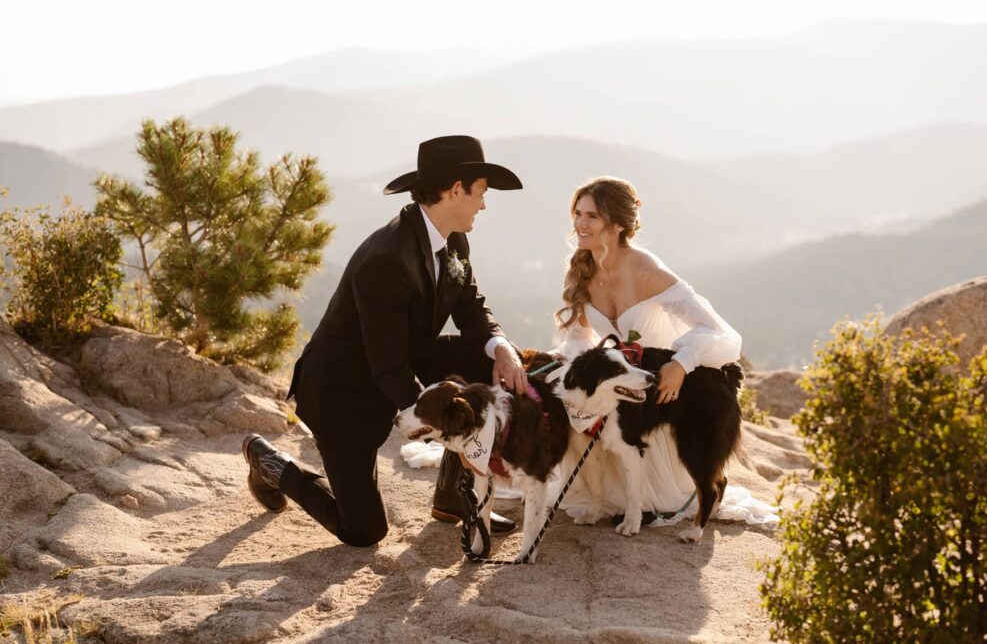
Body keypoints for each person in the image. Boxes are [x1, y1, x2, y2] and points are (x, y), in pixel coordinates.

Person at [241, 135, 529, 546]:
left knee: (488, 364)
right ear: (455, 190)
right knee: (364, 531)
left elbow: (471, 306)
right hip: (346, 394)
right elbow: (387, 366)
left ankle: (455, 496)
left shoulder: (453, 240)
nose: (484, 203)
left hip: (401, 362)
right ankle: (269, 461)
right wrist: (448, 431)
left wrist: (501, 347)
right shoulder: (386, 260)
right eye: (481, 192)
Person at [553, 177, 774, 526]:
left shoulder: (647, 271)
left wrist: (682, 364)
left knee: (666, 498)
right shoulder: (580, 268)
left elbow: (721, 332)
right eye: (577, 214)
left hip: (658, 399)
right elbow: (578, 337)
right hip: (615, 395)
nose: (580, 224)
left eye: (591, 216)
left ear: (618, 224)